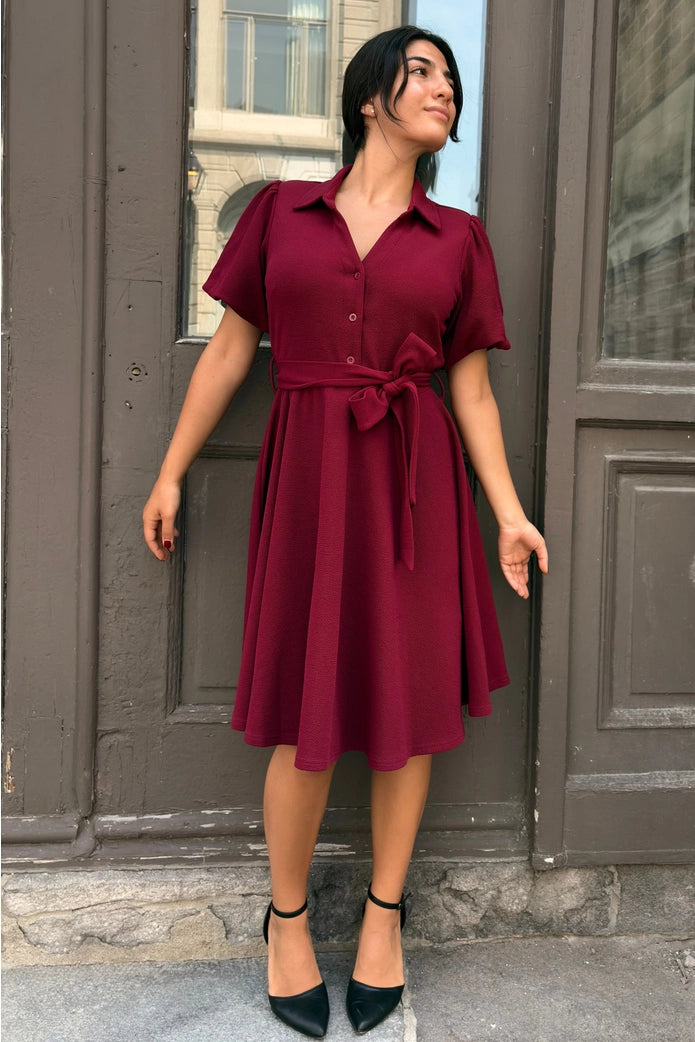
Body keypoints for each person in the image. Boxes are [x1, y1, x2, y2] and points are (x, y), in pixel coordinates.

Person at [143, 24, 548, 1039]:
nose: (445, 89)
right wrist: (169, 471)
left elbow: (472, 394)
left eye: (453, 79)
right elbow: (231, 354)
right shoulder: (282, 215)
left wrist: (506, 512)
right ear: (369, 95)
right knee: (304, 714)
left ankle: (381, 919)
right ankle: (284, 922)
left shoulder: (455, 239)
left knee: (405, 713)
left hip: (415, 485)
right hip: (313, 478)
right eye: (423, 72)